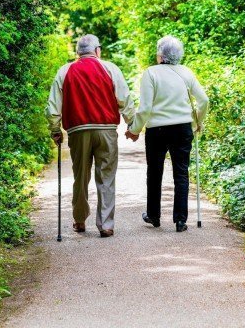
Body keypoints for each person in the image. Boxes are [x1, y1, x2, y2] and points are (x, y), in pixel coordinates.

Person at [46, 34, 135, 238]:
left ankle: (79, 219)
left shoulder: (65, 70)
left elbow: (53, 105)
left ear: (78, 52)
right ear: (97, 51)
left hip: (78, 131)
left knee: (81, 177)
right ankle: (105, 224)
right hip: (106, 130)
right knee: (106, 177)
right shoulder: (110, 68)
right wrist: (133, 125)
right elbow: (124, 99)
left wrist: (55, 129)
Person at [126, 35, 209, 232]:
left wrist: (134, 130)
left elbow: (145, 108)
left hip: (157, 130)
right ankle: (180, 220)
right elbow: (203, 100)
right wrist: (198, 121)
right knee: (181, 172)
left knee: (154, 172)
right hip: (182, 128)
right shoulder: (186, 72)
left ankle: (154, 215)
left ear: (160, 55)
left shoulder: (151, 73)